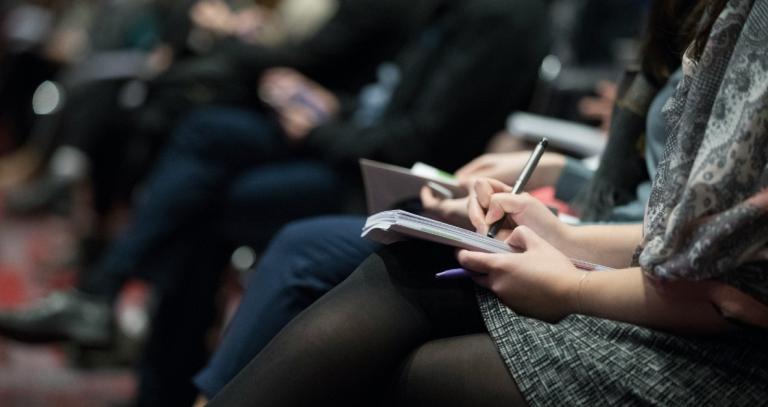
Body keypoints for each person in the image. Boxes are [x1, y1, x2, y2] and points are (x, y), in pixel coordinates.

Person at [208, 0, 768, 404]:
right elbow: (686, 237)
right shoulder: (712, 20)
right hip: (651, 269)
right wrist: (565, 233)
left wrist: (572, 280)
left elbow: (730, 287)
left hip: (724, 355)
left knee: (389, 346)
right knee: (401, 261)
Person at [0, 0, 552, 404]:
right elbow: (381, 97)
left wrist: (318, 122)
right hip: (351, 145)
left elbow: (412, 144)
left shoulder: (498, 19)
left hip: (396, 184)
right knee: (203, 131)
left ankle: (157, 365)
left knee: (209, 200)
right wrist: (326, 108)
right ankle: (137, 341)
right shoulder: (446, 12)